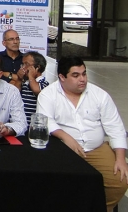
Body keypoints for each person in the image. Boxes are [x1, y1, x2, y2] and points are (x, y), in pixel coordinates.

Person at [37, 56, 128, 211]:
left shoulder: (100, 95)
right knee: (64, 183)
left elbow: (116, 128)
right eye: (76, 75)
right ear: (62, 77)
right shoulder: (48, 94)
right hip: (64, 149)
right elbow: (46, 121)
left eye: (84, 74)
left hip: (96, 148)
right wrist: (66, 137)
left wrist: (121, 159)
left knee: (120, 180)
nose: (83, 79)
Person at [18, 51, 48, 125]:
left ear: (37, 67)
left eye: (26, 64)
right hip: (21, 123)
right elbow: (14, 92)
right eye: (22, 64)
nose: (23, 68)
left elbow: (37, 91)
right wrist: (19, 79)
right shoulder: (25, 82)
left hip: (33, 124)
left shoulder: (43, 83)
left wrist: (31, 76)